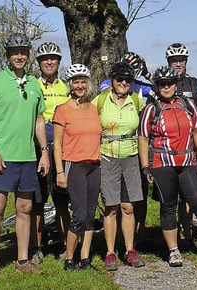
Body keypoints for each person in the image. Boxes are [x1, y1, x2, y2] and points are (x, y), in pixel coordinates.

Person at [138, 66, 197, 267]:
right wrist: (145, 166)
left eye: (170, 83)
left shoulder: (188, 104)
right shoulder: (151, 108)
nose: (166, 87)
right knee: (168, 206)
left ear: (176, 84)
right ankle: (173, 251)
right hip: (162, 163)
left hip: (187, 161)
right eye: (162, 84)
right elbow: (143, 137)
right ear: (157, 85)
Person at [0, 33, 49, 279]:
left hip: (28, 157)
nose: (19, 56)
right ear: (8, 55)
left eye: (23, 52)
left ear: (27, 55)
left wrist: (44, 151)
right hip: (2, 157)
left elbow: (39, 119)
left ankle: (22, 259)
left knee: (25, 207)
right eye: (14, 52)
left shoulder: (33, 83)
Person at [92, 62, 146, 271]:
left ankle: (130, 250)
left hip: (130, 156)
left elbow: (147, 122)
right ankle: (110, 253)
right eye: (119, 79)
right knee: (111, 208)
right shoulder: (101, 99)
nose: (124, 83)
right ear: (112, 80)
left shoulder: (135, 100)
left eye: (128, 80)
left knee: (128, 207)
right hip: (107, 155)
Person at [52, 64, 103, 270]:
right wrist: (60, 171)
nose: (80, 85)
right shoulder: (62, 110)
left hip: (95, 165)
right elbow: (57, 143)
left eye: (83, 81)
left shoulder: (93, 108)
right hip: (74, 165)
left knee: (90, 214)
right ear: (70, 85)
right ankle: (69, 258)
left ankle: (85, 258)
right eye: (76, 82)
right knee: (79, 214)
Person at [165, 42, 197, 247]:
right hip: (169, 147)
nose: (178, 64)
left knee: (191, 193)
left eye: (181, 60)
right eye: (174, 60)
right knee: (170, 196)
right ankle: (172, 237)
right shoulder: (163, 83)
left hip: (192, 146)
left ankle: (188, 235)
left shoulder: (194, 84)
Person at [30, 41, 71, 264]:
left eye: (53, 58)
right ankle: (37, 248)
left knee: (62, 200)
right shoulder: (32, 85)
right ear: (38, 63)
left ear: (58, 62)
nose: (49, 61)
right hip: (38, 148)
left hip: (62, 149)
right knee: (37, 201)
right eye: (45, 58)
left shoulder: (66, 87)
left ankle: (66, 245)